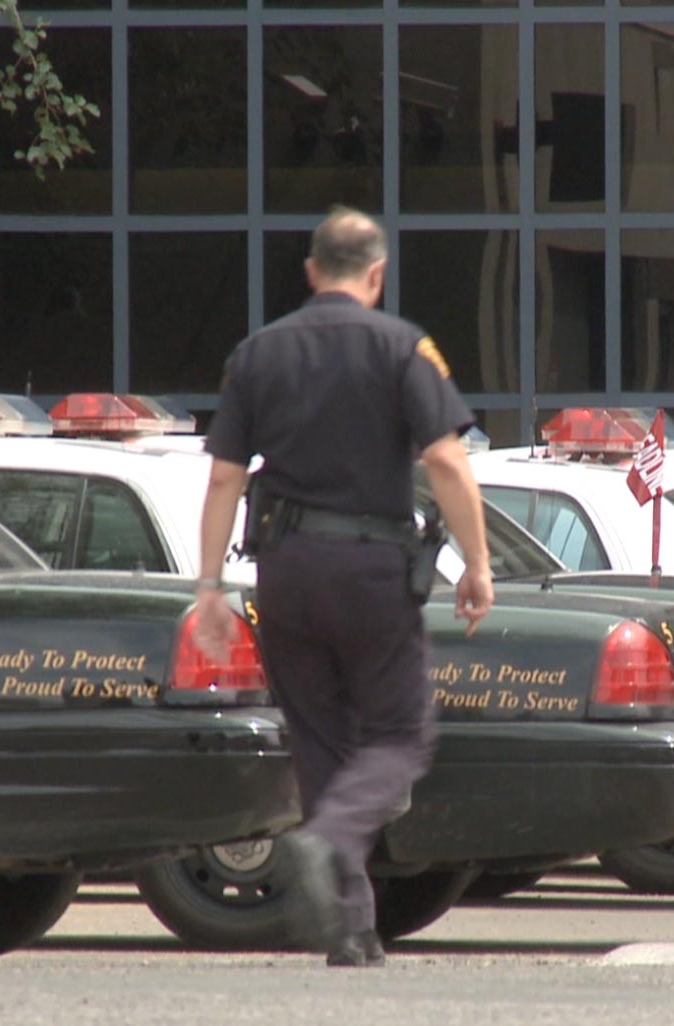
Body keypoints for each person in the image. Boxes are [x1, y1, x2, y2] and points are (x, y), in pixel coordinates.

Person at [193, 205, 495, 967]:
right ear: (376, 273)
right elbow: (448, 462)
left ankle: (350, 927)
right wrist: (480, 562)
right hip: (370, 570)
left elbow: (226, 474)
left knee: (323, 742)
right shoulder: (402, 346)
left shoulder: (257, 353)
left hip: (284, 569)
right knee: (401, 734)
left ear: (309, 271)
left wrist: (208, 589)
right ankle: (326, 842)